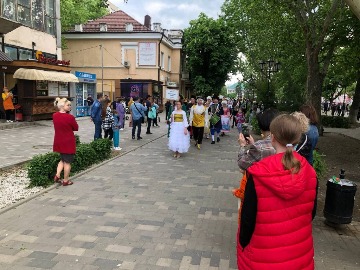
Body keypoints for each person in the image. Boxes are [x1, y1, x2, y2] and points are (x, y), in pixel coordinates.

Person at [236, 114, 317, 269]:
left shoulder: (258, 173)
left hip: (262, 255)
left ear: (272, 137)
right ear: (297, 138)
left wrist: (243, 244)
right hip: (299, 252)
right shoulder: (309, 172)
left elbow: (247, 220)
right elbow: (311, 213)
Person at [52, 98, 79, 186]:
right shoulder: (70, 117)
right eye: (68, 105)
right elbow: (76, 128)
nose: (70, 106)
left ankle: (57, 175)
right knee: (67, 162)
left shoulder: (55, 115)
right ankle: (66, 180)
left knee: (62, 159)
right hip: (68, 142)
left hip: (58, 141)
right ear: (62, 106)